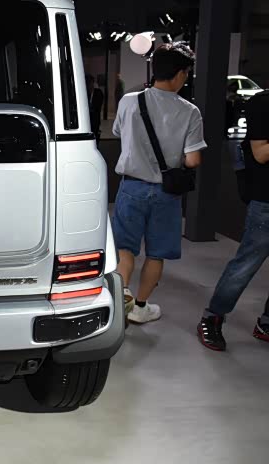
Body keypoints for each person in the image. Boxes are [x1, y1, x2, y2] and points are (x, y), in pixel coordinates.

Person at [111, 43, 206, 324]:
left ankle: (121, 298)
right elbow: (193, 160)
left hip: (132, 187)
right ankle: (140, 307)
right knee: (156, 254)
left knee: (125, 248)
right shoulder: (190, 112)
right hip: (166, 192)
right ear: (180, 74)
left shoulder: (129, 101)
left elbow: (118, 132)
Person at [197, 90, 269, 350]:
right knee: (245, 265)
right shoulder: (263, 103)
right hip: (266, 202)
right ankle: (212, 317)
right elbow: (261, 153)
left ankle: (266, 323)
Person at [86, 74, 104, 140]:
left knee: (95, 135)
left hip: (95, 119)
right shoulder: (85, 93)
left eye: (90, 83)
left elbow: (98, 106)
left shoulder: (98, 92)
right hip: (87, 118)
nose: (89, 85)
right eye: (87, 83)